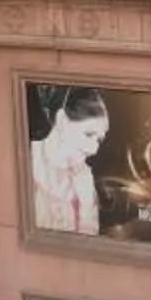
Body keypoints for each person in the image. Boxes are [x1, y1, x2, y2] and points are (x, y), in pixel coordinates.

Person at [29, 87, 110, 237]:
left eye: (99, 140)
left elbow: (89, 243)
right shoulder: (25, 159)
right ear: (61, 120)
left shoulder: (84, 177)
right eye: (88, 134)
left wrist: (86, 203)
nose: (94, 149)